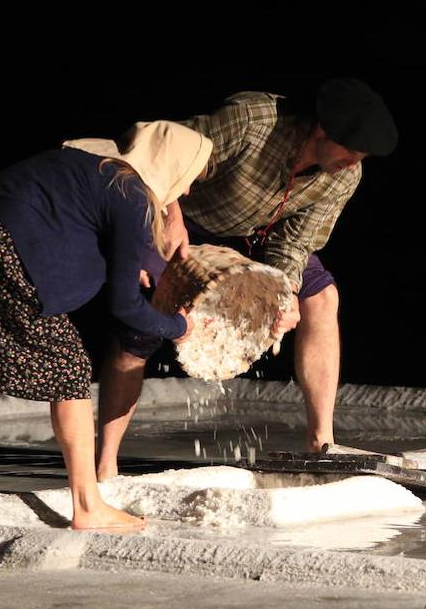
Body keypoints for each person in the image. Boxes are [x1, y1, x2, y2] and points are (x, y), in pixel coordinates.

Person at [0, 121, 213, 531]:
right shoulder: (132, 197)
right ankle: (87, 505)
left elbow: (61, 221)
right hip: (2, 245)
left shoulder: (95, 166)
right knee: (69, 369)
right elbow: (124, 306)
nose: (186, 191)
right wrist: (178, 327)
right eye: (188, 178)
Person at [94, 78, 397, 479]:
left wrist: (285, 292)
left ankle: (321, 442)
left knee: (321, 298)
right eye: (351, 152)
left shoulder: (343, 177)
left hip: (254, 236)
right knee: (142, 330)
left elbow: (295, 241)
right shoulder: (252, 121)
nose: (353, 164)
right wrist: (168, 217)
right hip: (181, 216)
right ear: (322, 131)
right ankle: (104, 464)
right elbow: (162, 156)